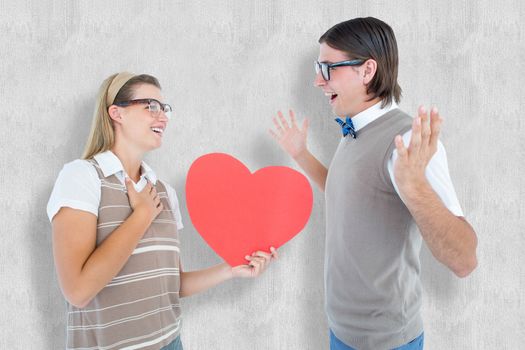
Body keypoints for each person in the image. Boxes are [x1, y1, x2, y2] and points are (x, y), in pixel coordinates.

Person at [269, 17, 478, 350]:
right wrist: (301, 155)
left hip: (384, 342)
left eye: (328, 68)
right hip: (341, 330)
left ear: (367, 71)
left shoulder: (408, 141)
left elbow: (464, 260)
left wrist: (415, 188)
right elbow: (351, 193)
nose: (317, 81)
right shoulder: (355, 129)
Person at [47, 72, 278, 350]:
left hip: (171, 342)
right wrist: (141, 217)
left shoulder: (164, 192)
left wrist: (230, 270)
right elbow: (78, 291)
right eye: (151, 106)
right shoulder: (82, 177)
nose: (163, 117)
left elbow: (172, 285)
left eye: (164, 108)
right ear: (116, 113)